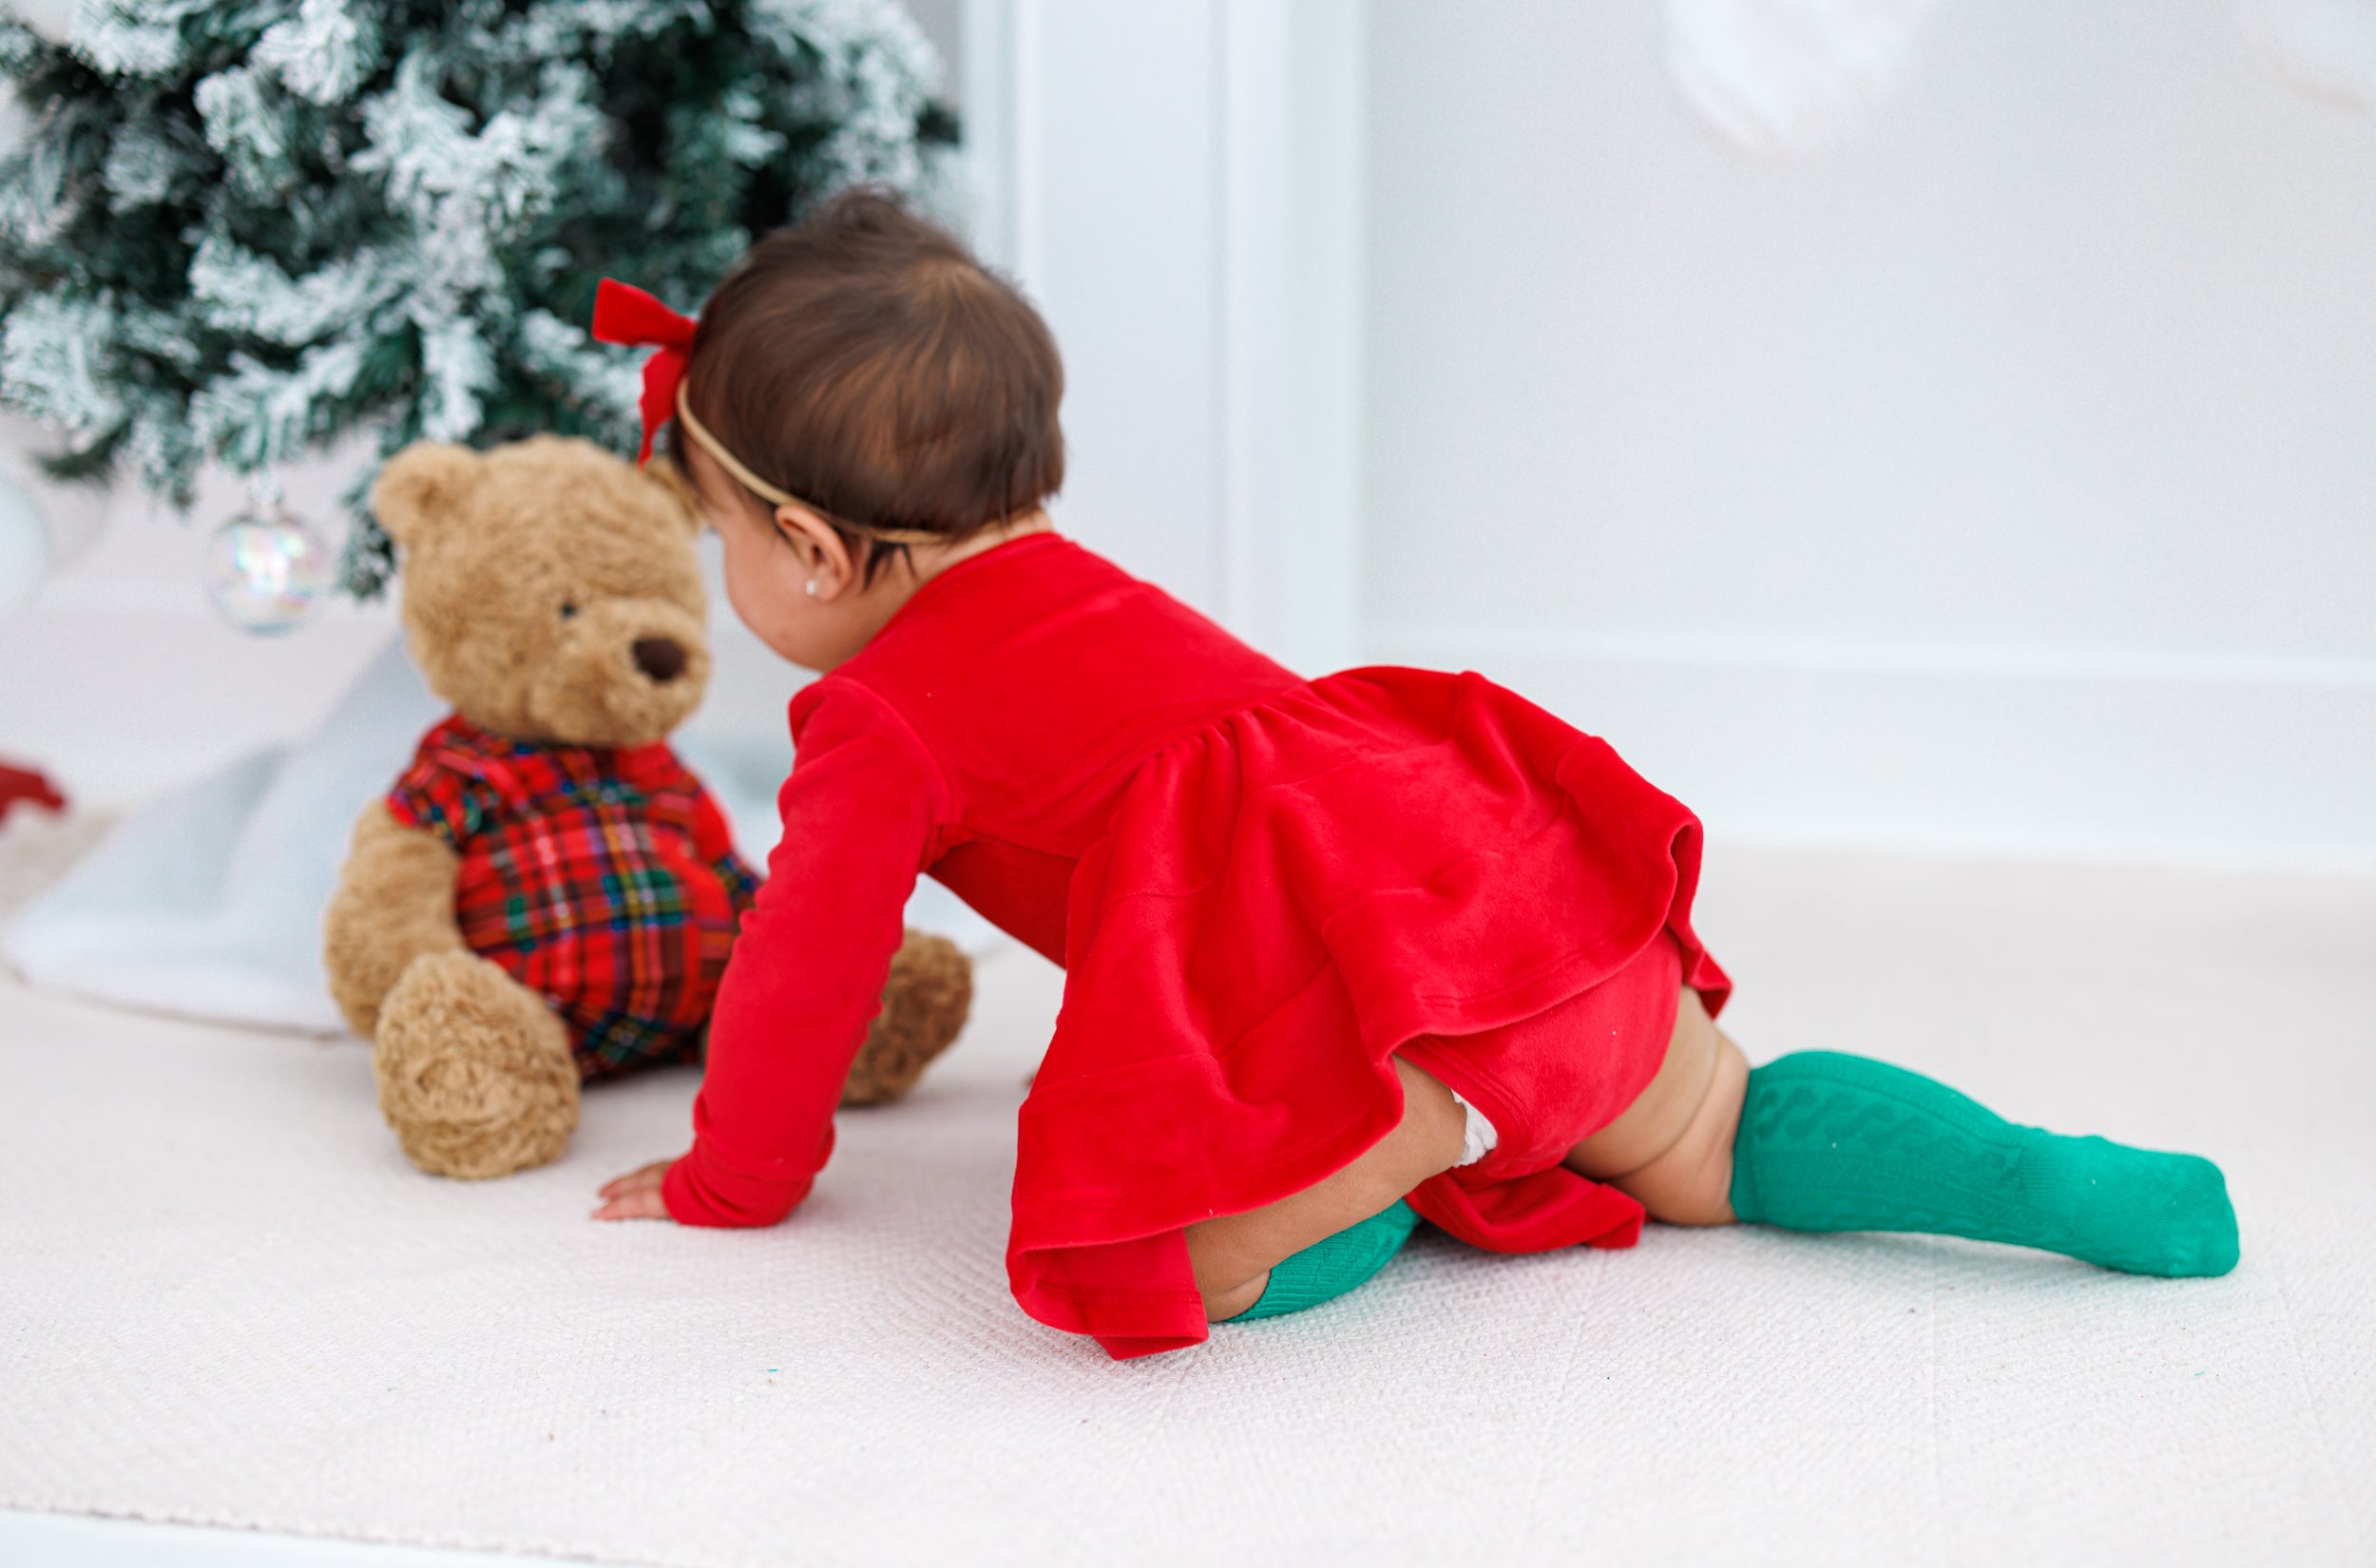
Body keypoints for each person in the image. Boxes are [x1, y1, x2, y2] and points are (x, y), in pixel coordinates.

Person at [584, 189, 2238, 1361]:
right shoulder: (1088, 590)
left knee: (1129, 1263)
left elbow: (807, 969)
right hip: (1518, 901)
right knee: (1725, 1130)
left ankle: (1391, 1153)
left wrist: (741, 1178)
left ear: (806, 545)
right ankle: (2037, 1179)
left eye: (718, 536)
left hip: (1384, 1022)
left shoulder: (880, 721)